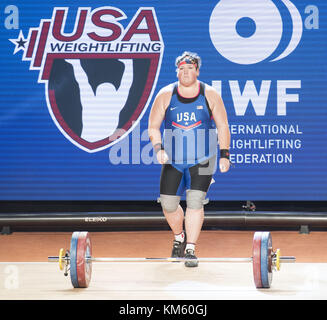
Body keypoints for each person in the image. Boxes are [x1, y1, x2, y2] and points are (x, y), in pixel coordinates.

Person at [148, 51, 231, 267]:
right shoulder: (165, 94)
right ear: (177, 71)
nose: (185, 73)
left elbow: (223, 125)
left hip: (202, 159)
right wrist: (158, 149)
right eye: (181, 69)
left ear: (197, 71)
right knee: (167, 204)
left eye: (190, 69)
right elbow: (153, 127)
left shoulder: (210, 94)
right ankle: (179, 237)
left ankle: (191, 249)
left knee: (195, 201)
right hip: (174, 160)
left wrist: (224, 155)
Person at [65, 59, 133, 142]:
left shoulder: (90, 102)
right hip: (94, 140)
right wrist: (129, 64)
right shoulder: (115, 105)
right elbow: (126, 84)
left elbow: (83, 81)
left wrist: (76, 64)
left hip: (95, 141)